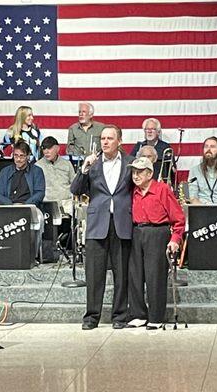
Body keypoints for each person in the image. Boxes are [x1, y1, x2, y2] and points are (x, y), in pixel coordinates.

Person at [70, 125, 133, 330]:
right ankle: (91, 317)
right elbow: (76, 189)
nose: (105, 142)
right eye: (103, 138)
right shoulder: (93, 164)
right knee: (94, 274)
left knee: (121, 273)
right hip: (97, 224)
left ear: (119, 141)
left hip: (122, 223)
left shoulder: (130, 163)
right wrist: (84, 169)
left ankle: (120, 316)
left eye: (110, 138)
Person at [126, 157, 185, 330]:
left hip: (157, 232)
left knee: (155, 275)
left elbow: (178, 217)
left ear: (150, 173)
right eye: (134, 172)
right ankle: (138, 314)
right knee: (135, 274)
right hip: (136, 231)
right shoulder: (132, 191)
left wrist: (175, 239)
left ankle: (156, 316)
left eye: (140, 172)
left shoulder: (162, 189)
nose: (135, 176)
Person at [0, 140, 45, 207]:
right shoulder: (5, 172)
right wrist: (11, 205)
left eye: (22, 156)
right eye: (16, 155)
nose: (18, 159)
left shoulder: (37, 171)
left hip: (29, 208)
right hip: (9, 208)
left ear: (28, 156)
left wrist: (25, 205)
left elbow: (40, 193)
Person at [36, 136, 75, 214]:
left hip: (66, 206)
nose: (46, 151)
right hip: (46, 206)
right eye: (44, 149)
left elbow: (74, 185)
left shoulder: (67, 164)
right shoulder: (37, 166)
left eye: (49, 148)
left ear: (57, 148)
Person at [188, 136, 217, 204]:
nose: (208, 149)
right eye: (206, 146)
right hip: (200, 209)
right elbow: (193, 198)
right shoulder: (194, 171)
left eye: (212, 146)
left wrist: (216, 212)